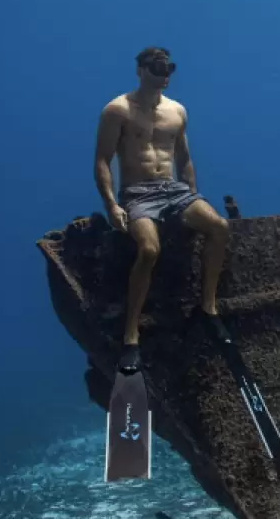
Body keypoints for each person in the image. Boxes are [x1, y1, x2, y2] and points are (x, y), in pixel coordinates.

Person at [94, 47, 230, 373]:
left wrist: (194, 195)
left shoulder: (178, 112)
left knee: (220, 227)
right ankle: (131, 336)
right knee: (149, 249)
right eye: (157, 67)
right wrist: (112, 204)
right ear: (140, 69)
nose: (164, 74)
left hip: (174, 191)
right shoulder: (117, 110)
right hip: (137, 194)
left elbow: (184, 158)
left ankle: (208, 310)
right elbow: (102, 160)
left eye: (168, 68)